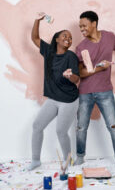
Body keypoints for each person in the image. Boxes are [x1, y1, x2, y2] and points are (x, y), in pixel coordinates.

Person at [74, 11, 115, 170]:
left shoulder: (109, 37)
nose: (82, 29)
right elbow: (80, 72)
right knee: (81, 127)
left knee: (113, 125)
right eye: (80, 26)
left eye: (84, 25)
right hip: (85, 92)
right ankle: (80, 157)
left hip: (105, 91)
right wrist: (98, 68)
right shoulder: (81, 47)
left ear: (94, 23)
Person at [27, 13, 80, 170]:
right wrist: (37, 19)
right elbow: (35, 38)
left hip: (69, 100)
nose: (69, 39)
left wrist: (70, 76)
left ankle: (68, 159)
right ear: (57, 39)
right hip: (53, 98)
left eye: (71, 38)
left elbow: (76, 79)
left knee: (61, 131)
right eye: (65, 36)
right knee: (37, 126)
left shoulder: (71, 56)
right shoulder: (49, 52)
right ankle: (36, 161)